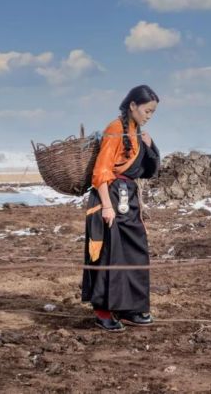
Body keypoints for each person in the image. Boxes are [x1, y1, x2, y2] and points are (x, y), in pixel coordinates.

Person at [81, 85, 161, 332]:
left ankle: (130, 308)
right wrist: (106, 206)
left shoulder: (137, 132)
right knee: (110, 253)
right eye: (146, 110)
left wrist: (150, 145)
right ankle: (103, 310)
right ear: (133, 106)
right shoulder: (114, 130)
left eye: (152, 113)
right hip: (110, 198)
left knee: (135, 252)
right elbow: (101, 170)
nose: (148, 116)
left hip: (129, 200)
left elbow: (147, 170)